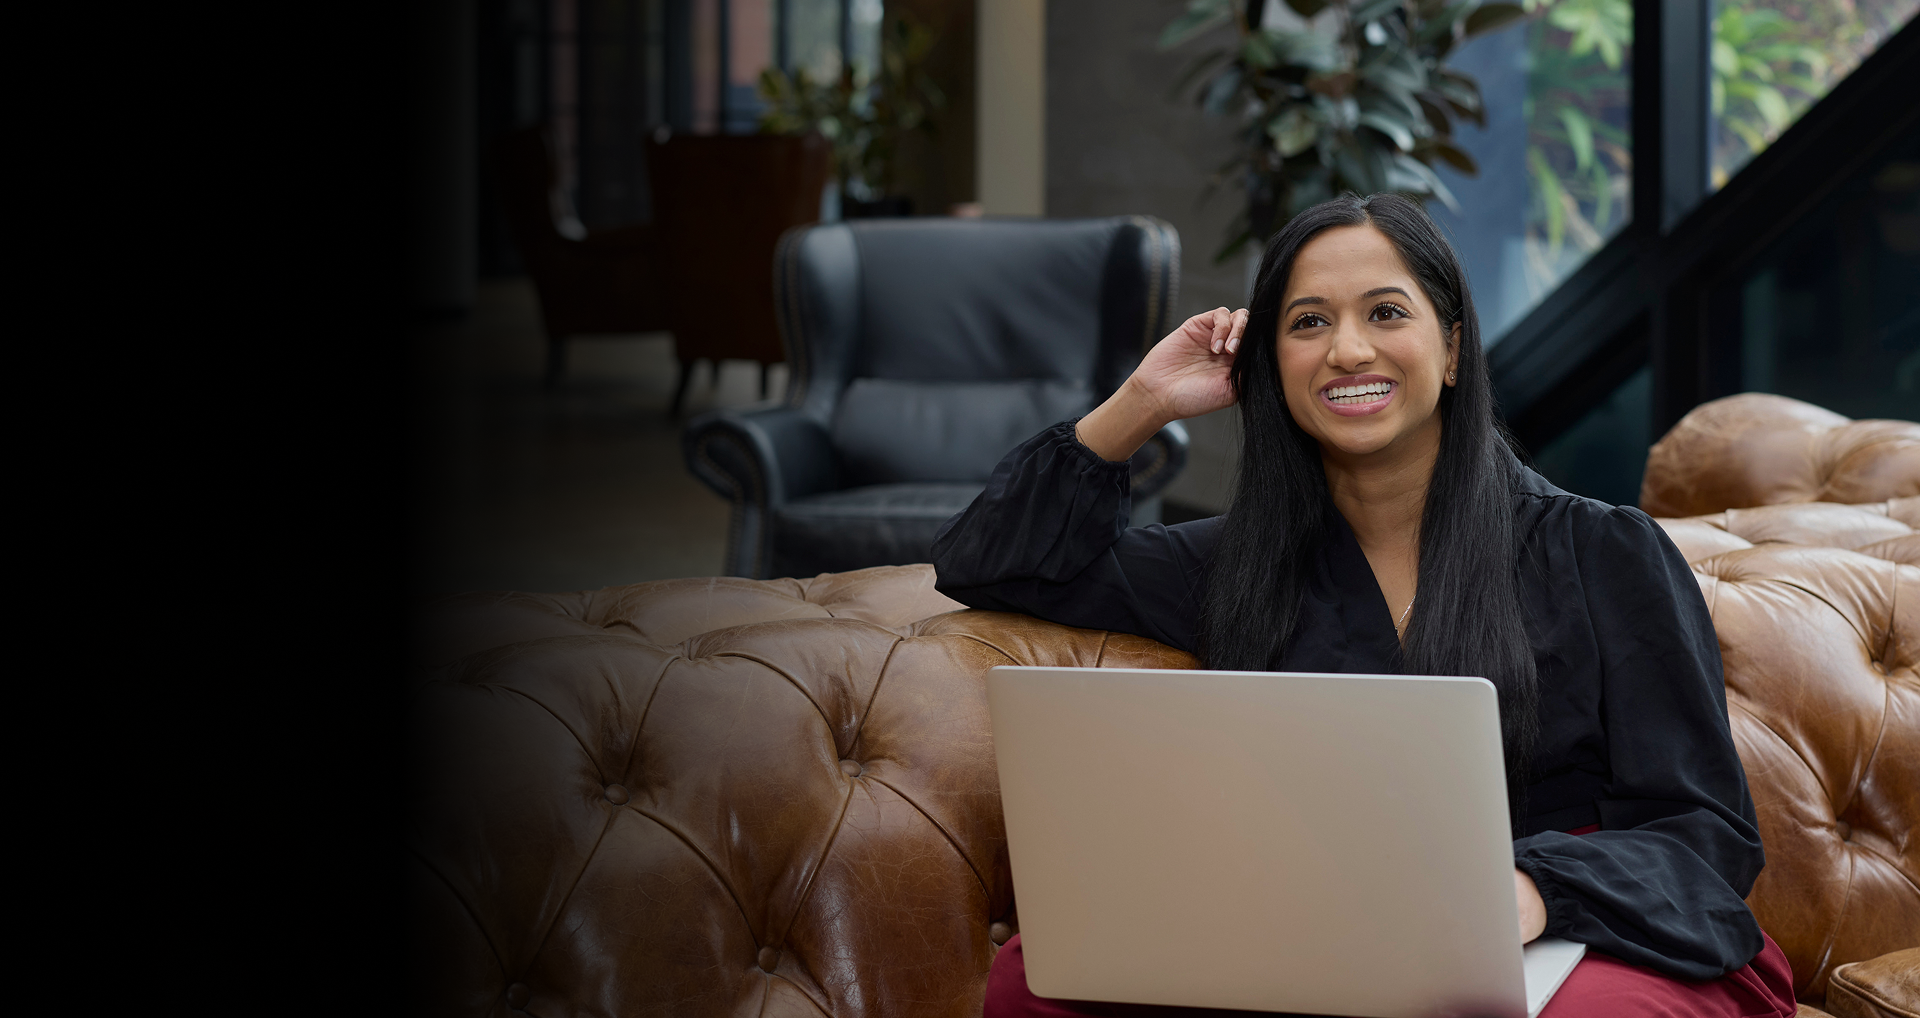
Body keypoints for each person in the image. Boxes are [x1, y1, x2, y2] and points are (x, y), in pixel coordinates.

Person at [930, 193, 1797, 1018]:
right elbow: (988, 561)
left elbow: (1703, 831)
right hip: (1326, 923)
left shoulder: (1604, 550)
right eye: (1308, 323)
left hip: (1584, 928)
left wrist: (1529, 892)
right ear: (1271, 362)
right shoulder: (1231, 564)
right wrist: (1144, 401)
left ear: (1453, 350)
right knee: (1030, 983)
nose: (1348, 351)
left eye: (1386, 313)